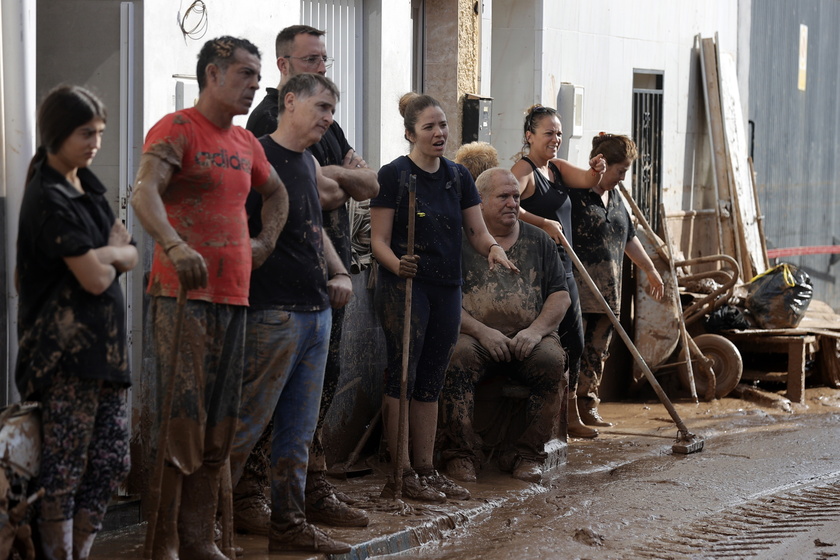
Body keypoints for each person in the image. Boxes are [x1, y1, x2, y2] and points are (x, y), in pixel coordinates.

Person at [130, 36, 288, 560]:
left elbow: (277, 193)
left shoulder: (247, 143)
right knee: (182, 419)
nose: (254, 85)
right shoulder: (179, 128)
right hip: (182, 298)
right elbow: (144, 191)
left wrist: (264, 241)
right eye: (244, 73)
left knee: (220, 424)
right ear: (213, 75)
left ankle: (200, 539)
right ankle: (166, 542)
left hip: (234, 298)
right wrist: (173, 244)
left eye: (257, 75)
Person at [237, 24, 377, 533]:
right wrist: (340, 176)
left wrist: (335, 179)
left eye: (324, 59)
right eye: (312, 59)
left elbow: (367, 184)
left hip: (325, 282)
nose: (322, 67)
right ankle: (246, 495)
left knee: (316, 394)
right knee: (262, 402)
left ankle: (304, 493)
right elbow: (322, 194)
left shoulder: (321, 125)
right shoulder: (264, 126)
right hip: (275, 292)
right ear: (285, 72)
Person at [227, 72, 355, 555]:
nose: (328, 118)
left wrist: (340, 273)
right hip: (271, 314)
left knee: (298, 434)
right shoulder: (253, 153)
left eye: (331, 110)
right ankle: (205, 529)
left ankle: (289, 524)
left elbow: (313, 225)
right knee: (243, 428)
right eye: (321, 107)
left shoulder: (304, 163)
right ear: (290, 101)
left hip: (316, 312)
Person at [370, 92, 518, 502]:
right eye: (429, 127)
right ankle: (398, 472)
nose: (439, 133)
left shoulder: (457, 176)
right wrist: (397, 264)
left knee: (432, 376)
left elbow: (476, 231)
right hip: (405, 288)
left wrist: (492, 249)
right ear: (409, 133)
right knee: (403, 374)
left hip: (446, 288)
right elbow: (378, 240)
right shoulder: (394, 175)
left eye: (442, 126)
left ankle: (424, 468)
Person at [15, 85, 138, 560]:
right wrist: (111, 254)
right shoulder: (47, 195)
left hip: (105, 355)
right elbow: (94, 277)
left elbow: (127, 251)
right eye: (86, 133)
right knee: (64, 469)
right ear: (57, 134)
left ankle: (79, 552)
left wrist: (108, 255)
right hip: (64, 356)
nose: (95, 143)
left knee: (111, 461)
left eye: (100, 133)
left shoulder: (88, 186)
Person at [439, 168, 571, 485]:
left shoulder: (539, 240)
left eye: (516, 196)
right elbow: (445, 303)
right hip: (474, 335)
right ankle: (461, 455)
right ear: (479, 201)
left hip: (530, 336)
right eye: (503, 196)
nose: (513, 203)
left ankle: (527, 454)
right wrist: (481, 331)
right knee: (456, 358)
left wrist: (536, 331)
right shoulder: (460, 240)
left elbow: (560, 296)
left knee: (552, 361)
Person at [510, 104, 606, 439]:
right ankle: (551, 419)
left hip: (566, 266)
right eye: (549, 133)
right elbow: (510, 204)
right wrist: (543, 223)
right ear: (529, 136)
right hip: (538, 272)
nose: (556, 139)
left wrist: (597, 167)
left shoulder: (557, 169)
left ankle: (570, 414)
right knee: (554, 343)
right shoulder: (524, 170)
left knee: (575, 343)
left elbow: (590, 180)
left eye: (559, 133)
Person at [569, 133, 664, 427]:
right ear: (602, 164)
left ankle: (588, 405)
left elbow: (628, 238)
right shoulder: (576, 195)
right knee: (574, 350)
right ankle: (567, 411)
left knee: (598, 352)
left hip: (608, 293)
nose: (622, 178)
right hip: (578, 291)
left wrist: (650, 269)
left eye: (625, 171)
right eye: (620, 171)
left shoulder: (616, 197)